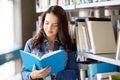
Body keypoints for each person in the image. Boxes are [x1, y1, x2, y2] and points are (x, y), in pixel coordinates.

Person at [21, 5, 79, 80]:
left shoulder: (68, 45)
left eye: (54, 25)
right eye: (47, 23)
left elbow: (74, 74)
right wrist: (33, 75)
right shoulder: (31, 44)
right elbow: (23, 73)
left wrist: (55, 73)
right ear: (42, 22)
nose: (49, 28)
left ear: (61, 26)